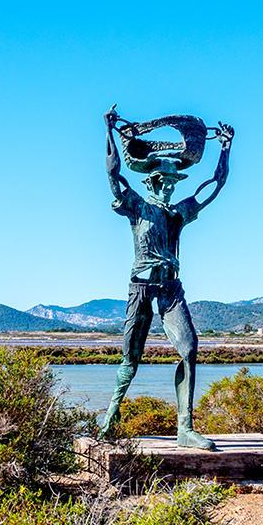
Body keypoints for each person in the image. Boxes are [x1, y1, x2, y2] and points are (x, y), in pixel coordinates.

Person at [97, 106, 233, 450]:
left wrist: (226, 149)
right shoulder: (137, 207)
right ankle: (112, 414)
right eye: (164, 181)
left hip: (171, 288)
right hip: (142, 287)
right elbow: (113, 176)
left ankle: (185, 428)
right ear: (151, 181)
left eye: (173, 182)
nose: (169, 186)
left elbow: (213, 186)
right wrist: (109, 133)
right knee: (131, 358)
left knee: (189, 349)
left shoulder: (178, 214)